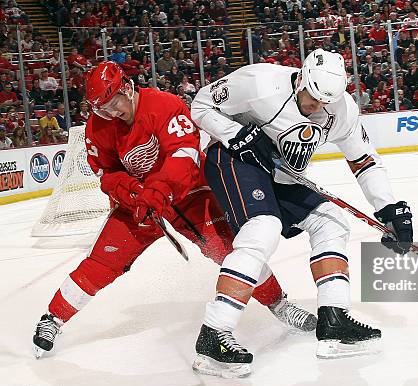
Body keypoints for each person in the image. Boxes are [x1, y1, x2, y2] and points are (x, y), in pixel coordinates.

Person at [32, 62, 315, 359]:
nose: (111, 113)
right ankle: (52, 318)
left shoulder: (164, 104)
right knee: (103, 261)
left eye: (113, 103)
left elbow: (185, 153)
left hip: (187, 194)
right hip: (139, 204)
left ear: (126, 88)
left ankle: (280, 305)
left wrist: (159, 191)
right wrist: (132, 193)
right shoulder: (98, 127)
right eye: (102, 109)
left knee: (232, 249)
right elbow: (106, 172)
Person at [190, 49, 413, 376]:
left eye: (325, 102)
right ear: (302, 78)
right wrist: (236, 135)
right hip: (235, 158)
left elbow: (363, 159)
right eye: (311, 97)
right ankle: (214, 333)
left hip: (279, 171)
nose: (316, 107)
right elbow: (201, 104)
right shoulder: (259, 82)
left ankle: (334, 320)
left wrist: (389, 207)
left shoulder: (342, 110)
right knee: (263, 228)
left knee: (332, 222)